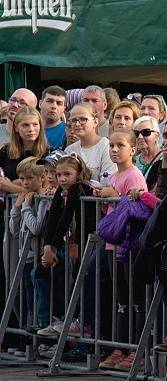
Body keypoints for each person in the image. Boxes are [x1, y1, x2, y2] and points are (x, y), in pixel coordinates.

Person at [96, 129, 151, 371]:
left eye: (120, 145)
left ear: (133, 150)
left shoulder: (134, 175)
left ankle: (136, 350)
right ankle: (120, 346)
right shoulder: (112, 176)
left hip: (130, 244)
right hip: (113, 243)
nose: (115, 150)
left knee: (135, 297)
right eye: (112, 146)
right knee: (120, 298)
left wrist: (116, 195)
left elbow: (137, 207)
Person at [37, 154, 96, 338]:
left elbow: (65, 217)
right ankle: (65, 319)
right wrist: (48, 246)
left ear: (78, 174)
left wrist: (53, 245)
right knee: (67, 278)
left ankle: (80, 320)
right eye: (59, 174)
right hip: (76, 243)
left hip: (91, 241)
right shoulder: (62, 190)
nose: (62, 179)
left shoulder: (80, 188)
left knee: (83, 282)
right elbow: (53, 216)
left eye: (67, 174)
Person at [8, 157, 50, 333]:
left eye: (29, 178)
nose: (25, 182)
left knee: (39, 299)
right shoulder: (25, 197)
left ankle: (41, 339)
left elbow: (35, 228)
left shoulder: (43, 199)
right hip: (25, 257)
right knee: (26, 299)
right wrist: (16, 208)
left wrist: (25, 206)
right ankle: (28, 340)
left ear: (42, 178)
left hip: (38, 257)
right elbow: (14, 230)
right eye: (22, 178)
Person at [0, 106, 50, 193]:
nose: (31, 129)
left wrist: (11, 187)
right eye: (25, 125)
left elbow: (45, 192)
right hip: (9, 205)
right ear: (16, 128)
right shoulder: (5, 151)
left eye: (35, 124)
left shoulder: (49, 153)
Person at [64, 102, 116, 181]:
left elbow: (108, 182)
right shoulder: (69, 150)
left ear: (95, 122)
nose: (77, 124)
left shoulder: (106, 147)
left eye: (83, 119)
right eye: (74, 120)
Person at [133, 115, 163, 187]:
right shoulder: (132, 161)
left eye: (146, 132)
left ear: (157, 136)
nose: (140, 137)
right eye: (136, 133)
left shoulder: (165, 160)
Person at [40, 86, 66, 150]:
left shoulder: (68, 132)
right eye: (50, 101)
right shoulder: (28, 127)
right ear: (40, 104)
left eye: (59, 103)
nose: (54, 106)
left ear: (64, 108)